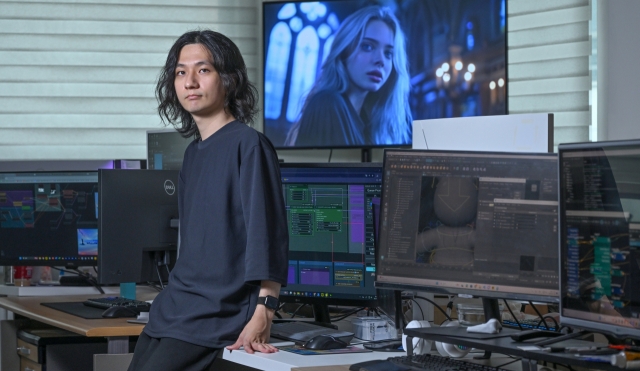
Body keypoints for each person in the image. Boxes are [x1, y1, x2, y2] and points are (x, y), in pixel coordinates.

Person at [127, 30, 289, 371]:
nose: (190, 82)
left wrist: (265, 310)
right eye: (181, 72)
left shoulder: (249, 145)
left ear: (228, 79)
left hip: (217, 313)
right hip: (175, 308)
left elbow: (267, 235)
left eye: (203, 70)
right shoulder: (193, 154)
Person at [286, 6, 412, 147]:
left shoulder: (367, 122)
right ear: (344, 51)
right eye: (367, 46)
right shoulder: (328, 104)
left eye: (388, 53)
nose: (381, 60)